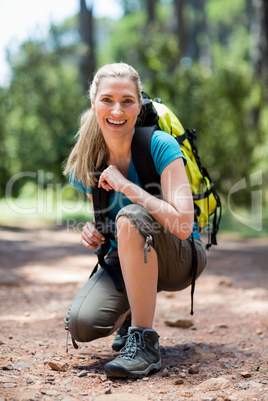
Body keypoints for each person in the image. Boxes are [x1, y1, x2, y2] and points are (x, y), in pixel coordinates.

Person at [63, 62, 207, 378]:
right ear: (94, 103)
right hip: (132, 253)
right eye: (107, 100)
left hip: (181, 255)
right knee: (82, 323)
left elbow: (183, 224)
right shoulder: (87, 161)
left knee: (131, 217)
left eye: (127, 100)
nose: (117, 109)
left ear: (139, 104)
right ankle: (131, 311)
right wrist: (94, 231)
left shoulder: (160, 145)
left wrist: (128, 186)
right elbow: (107, 218)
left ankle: (143, 341)